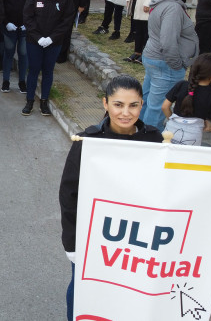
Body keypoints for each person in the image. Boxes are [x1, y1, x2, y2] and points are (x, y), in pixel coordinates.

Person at [59, 74, 163, 321]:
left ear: (141, 104)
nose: (126, 112)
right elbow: (69, 195)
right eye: (118, 104)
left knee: (126, 290)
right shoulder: (88, 141)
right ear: (105, 104)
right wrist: (72, 244)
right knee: (84, 288)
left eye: (133, 105)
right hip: (93, 237)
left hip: (136, 239)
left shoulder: (155, 140)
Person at [140, 0, 199, 131]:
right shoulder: (172, 8)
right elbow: (168, 42)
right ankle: (149, 139)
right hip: (166, 64)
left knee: (148, 100)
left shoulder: (164, 1)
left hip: (155, 58)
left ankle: (137, 135)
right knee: (157, 107)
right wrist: (177, 64)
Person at [21, 0, 76, 116]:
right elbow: (28, 17)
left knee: (48, 71)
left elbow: (67, 21)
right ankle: (30, 100)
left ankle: (44, 100)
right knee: (33, 70)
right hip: (34, 41)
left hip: (54, 42)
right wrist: (38, 38)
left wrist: (52, 38)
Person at [162, 53, 211, 145]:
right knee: (187, 159)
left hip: (170, 132)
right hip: (193, 136)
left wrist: (171, 120)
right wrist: (209, 128)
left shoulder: (181, 85)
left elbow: (165, 107)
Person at [0, 0, 34, 92]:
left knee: (23, 54)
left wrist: (29, 23)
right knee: (8, 53)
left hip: (26, 28)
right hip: (10, 28)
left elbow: (35, 7)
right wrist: (6, 23)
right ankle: (6, 81)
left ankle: (22, 81)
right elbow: (1, 7)